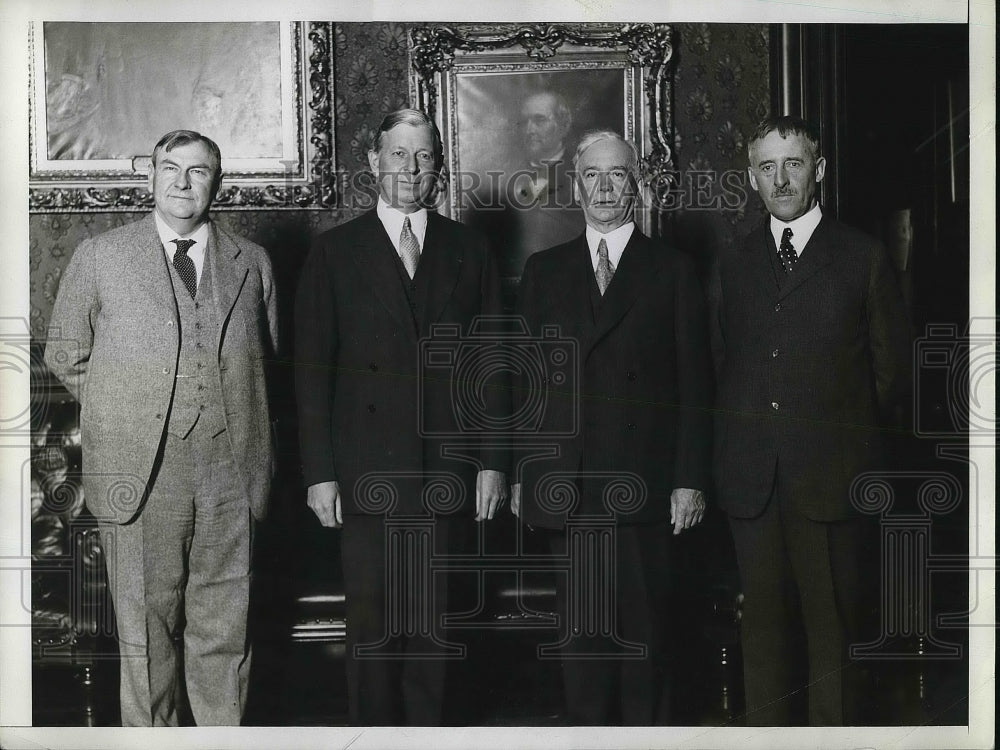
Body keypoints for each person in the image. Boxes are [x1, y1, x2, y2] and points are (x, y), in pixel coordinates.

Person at [44, 130, 278, 726]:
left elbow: (267, 356)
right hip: (143, 471)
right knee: (146, 637)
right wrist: (127, 409)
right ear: (149, 177)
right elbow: (65, 354)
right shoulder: (102, 256)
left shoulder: (252, 261)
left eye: (197, 171)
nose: (181, 182)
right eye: (169, 168)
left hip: (232, 468)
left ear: (216, 183)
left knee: (226, 628)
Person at [294, 108, 508, 726]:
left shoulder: (470, 249)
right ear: (373, 163)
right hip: (365, 476)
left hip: (449, 471)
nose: (411, 168)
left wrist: (494, 465)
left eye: (424, 156)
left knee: (436, 631)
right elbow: (312, 375)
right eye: (398, 154)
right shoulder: (334, 253)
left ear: (438, 166)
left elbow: (493, 367)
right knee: (372, 632)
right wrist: (320, 474)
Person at [710, 115, 911, 725]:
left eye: (793, 163)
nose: (781, 178)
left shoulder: (862, 256)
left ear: (818, 171)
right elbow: (726, 369)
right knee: (763, 647)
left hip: (832, 484)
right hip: (754, 488)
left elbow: (892, 377)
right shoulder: (735, 262)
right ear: (751, 178)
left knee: (834, 649)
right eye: (767, 167)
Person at [510, 130, 713, 724]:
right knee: (583, 653)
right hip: (566, 488)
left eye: (617, 174)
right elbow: (524, 386)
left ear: (636, 185)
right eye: (592, 175)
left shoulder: (673, 271)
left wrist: (689, 479)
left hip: (644, 490)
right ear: (576, 187)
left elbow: (697, 386)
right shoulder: (543, 271)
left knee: (645, 650)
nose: (603, 186)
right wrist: (525, 475)